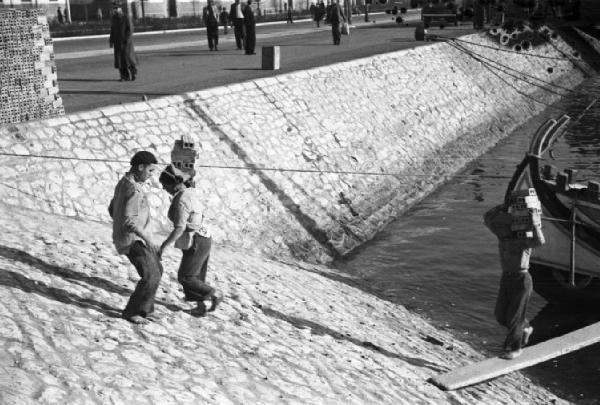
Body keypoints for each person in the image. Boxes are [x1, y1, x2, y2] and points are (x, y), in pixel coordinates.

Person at [158, 165, 223, 317]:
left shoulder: (182, 199)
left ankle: (214, 294)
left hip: (196, 240)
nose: (164, 188)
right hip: (204, 237)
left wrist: (163, 246)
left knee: (186, 277)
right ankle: (201, 308)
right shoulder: (190, 192)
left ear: (175, 183)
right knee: (197, 276)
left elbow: (179, 228)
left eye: (165, 185)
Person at [484, 203, 545, 359]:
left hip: (521, 279)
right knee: (500, 315)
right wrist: (505, 205)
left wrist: (535, 222)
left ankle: (516, 348)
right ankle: (525, 328)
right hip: (506, 278)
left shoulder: (523, 239)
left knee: (513, 317)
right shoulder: (502, 238)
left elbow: (540, 241)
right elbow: (487, 217)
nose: (500, 228)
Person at [108, 151, 162, 324]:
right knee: (151, 275)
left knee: (157, 270)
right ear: (140, 167)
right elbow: (129, 221)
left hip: (130, 237)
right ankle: (132, 312)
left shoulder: (123, 183)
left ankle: (146, 308)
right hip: (134, 240)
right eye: (150, 170)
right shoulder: (133, 189)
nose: (151, 175)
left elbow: (112, 209)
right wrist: (147, 238)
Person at [109, 2, 138, 81]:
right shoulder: (114, 18)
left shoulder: (126, 17)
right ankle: (124, 76)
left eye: (116, 8)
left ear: (120, 8)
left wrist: (126, 40)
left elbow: (130, 30)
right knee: (119, 60)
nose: (114, 10)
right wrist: (111, 41)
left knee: (128, 59)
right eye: (113, 8)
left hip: (126, 43)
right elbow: (112, 30)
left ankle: (133, 73)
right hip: (117, 42)